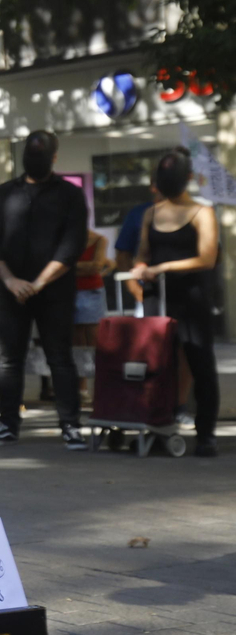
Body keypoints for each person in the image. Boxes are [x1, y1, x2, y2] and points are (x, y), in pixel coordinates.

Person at [0, 131, 89, 449]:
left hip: (54, 292)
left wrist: (40, 283)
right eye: (31, 153)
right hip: (9, 290)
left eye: (41, 154)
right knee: (10, 359)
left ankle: (70, 425)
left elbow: (72, 246)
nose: (35, 158)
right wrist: (11, 281)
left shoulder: (70, 195)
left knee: (60, 358)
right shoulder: (3, 194)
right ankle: (7, 424)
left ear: (54, 157)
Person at [133, 149, 221, 457]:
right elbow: (143, 253)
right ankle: (159, 424)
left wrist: (164, 267)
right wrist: (140, 268)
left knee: (200, 362)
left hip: (191, 298)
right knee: (158, 364)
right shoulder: (151, 213)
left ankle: (206, 433)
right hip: (158, 298)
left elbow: (207, 258)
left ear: (188, 179)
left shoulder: (202, 212)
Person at [72, 215, 113, 402]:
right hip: (70, 292)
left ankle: (102, 386)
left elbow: (96, 266)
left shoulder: (99, 239)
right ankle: (81, 387)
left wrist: (69, 266)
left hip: (91, 291)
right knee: (76, 340)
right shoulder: (64, 240)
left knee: (95, 339)